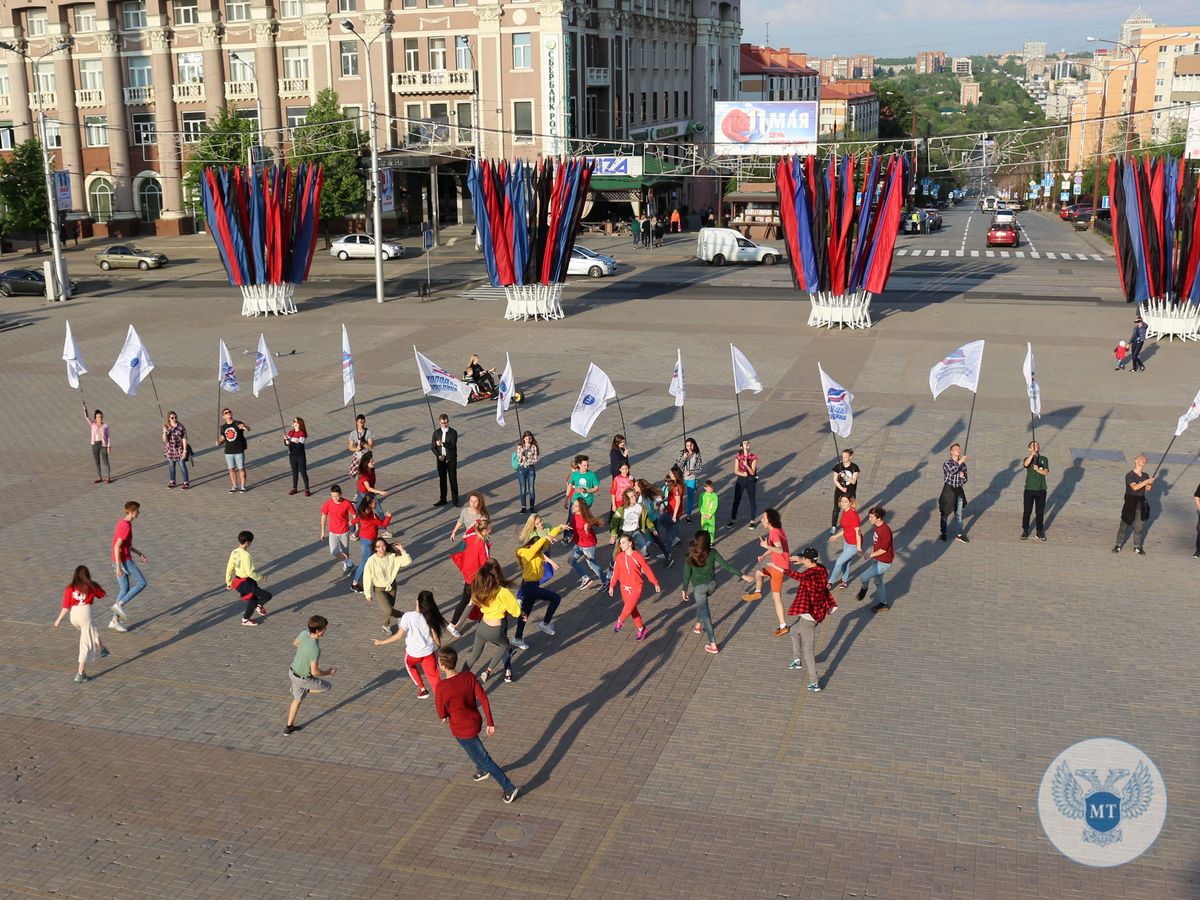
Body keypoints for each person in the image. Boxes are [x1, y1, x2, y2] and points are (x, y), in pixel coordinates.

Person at [434, 647, 519, 803]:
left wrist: (445, 716)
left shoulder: (441, 687)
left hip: (461, 728)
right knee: (472, 749)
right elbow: (484, 699)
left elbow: (440, 712)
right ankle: (481, 769)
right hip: (475, 721)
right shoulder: (469, 677)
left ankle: (508, 787)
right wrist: (490, 723)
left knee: (484, 757)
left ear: (443, 665)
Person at [681, 530, 750, 654]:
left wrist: (684, 589)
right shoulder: (712, 552)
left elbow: (687, 575)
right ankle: (697, 625)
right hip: (712, 585)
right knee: (702, 605)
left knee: (706, 613)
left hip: (699, 589)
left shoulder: (689, 555)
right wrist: (742, 575)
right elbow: (726, 566)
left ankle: (713, 644)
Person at [780, 548, 838, 693]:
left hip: (808, 617)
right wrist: (800, 560)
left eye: (803, 559)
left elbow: (799, 577)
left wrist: (782, 569)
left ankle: (814, 682)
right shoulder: (822, 569)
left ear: (808, 560)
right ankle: (797, 659)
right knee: (793, 631)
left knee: (808, 650)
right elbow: (806, 570)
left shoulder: (809, 574)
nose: (801, 560)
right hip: (818, 611)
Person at [507, 515, 564, 661]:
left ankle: (518, 638)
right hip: (529, 587)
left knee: (525, 613)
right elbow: (538, 547)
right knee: (556, 598)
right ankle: (545, 623)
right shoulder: (525, 552)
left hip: (533, 585)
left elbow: (544, 545)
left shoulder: (537, 552)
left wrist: (559, 528)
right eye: (536, 544)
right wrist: (544, 539)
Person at [460, 559, 523, 682]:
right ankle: (488, 671)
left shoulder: (480, 589)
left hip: (482, 627)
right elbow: (515, 611)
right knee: (504, 645)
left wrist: (458, 624)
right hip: (495, 629)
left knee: (474, 654)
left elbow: (470, 604)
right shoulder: (502, 592)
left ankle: (461, 677)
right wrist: (522, 613)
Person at [374, 590, 446, 698]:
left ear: (417, 602)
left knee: (409, 665)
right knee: (434, 677)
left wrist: (381, 642)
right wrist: (439, 648)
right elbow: (436, 636)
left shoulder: (407, 616)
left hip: (413, 655)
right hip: (428, 654)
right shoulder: (430, 617)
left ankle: (422, 689)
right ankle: (442, 698)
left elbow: (398, 636)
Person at [741, 508, 792, 636]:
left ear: (769, 520)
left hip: (779, 568)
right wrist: (764, 555)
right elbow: (775, 548)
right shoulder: (777, 530)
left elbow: (779, 550)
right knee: (759, 573)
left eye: (763, 518)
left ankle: (783, 626)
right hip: (777, 566)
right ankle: (757, 593)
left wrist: (765, 546)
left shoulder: (774, 533)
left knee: (776, 597)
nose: (761, 519)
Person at [55, 565, 110, 682]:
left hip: (73, 616)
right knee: (85, 643)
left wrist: (58, 620)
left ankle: (102, 647)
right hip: (85, 614)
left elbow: (65, 607)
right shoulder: (91, 585)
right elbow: (104, 595)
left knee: (91, 628)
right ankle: (80, 673)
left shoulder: (70, 588)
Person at [286, 615, 336, 735]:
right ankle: (306, 690)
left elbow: (295, 643)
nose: (326, 631)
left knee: (297, 700)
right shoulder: (315, 649)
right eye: (324, 629)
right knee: (327, 687)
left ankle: (289, 727)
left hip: (292, 672)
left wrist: (304, 650)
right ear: (318, 631)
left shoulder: (304, 633)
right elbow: (315, 672)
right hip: (304, 679)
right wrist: (329, 672)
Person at [608, 532, 660, 641]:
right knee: (632, 609)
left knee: (627, 608)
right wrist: (612, 585)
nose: (621, 545)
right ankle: (641, 629)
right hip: (624, 588)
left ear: (630, 543)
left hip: (636, 587)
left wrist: (655, 582)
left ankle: (619, 622)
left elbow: (647, 569)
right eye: (620, 543)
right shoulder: (619, 557)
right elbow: (616, 573)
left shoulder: (637, 556)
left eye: (623, 543)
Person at [447, 519, 492, 637]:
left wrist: (474, 525)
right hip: (476, 577)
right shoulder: (483, 544)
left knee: (468, 600)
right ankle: (453, 625)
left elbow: (465, 534)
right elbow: (487, 562)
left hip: (468, 574)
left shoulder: (472, 536)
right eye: (490, 529)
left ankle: (475, 620)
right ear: (485, 531)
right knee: (470, 601)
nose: (491, 530)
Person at [109, 500, 147, 633]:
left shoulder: (123, 522)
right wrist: (119, 567)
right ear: (131, 512)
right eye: (137, 511)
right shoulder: (126, 526)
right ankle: (119, 604)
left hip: (119, 560)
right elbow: (117, 546)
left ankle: (114, 620)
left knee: (124, 589)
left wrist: (139, 553)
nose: (139, 513)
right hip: (124, 560)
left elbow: (126, 545)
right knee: (142, 583)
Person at [362, 537, 412, 636]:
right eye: (379, 547)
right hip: (379, 589)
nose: (382, 548)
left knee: (390, 608)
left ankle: (392, 621)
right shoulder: (371, 560)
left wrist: (402, 550)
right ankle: (396, 618)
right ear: (375, 548)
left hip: (392, 586)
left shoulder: (391, 556)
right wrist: (367, 593)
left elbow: (407, 561)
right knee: (388, 610)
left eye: (383, 546)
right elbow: (367, 577)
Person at [225, 530, 272, 626]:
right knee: (267, 596)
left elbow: (229, 568)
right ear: (247, 542)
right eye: (251, 542)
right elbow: (249, 572)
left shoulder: (234, 552)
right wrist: (261, 577)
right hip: (246, 583)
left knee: (253, 600)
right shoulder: (246, 555)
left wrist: (228, 582)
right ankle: (259, 605)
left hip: (239, 582)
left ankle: (245, 620)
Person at [350, 496, 392, 593]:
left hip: (368, 540)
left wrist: (352, 524)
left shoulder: (365, 513)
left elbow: (354, 520)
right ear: (369, 504)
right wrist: (388, 517)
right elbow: (383, 524)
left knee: (372, 561)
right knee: (365, 562)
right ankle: (354, 583)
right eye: (374, 502)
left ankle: (375, 580)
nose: (376, 503)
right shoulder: (368, 517)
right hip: (368, 542)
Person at [1114, 454, 1154, 555]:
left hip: (1141, 503)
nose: (1143, 461)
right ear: (1135, 461)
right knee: (1124, 525)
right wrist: (1146, 482)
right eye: (1141, 459)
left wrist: (1150, 483)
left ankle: (1137, 546)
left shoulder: (1145, 475)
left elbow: (1148, 489)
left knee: (1139, 527)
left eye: (1144, 459)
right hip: (1130, 502)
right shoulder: (1130, 475)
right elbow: (1135, 487)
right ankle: (1118, 545)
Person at [856, 507, 895, 611]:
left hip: (883, 562)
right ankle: (884, 604)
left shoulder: (885, 531)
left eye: (871, 517)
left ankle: (864, 589)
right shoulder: (877, 527)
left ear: (879, 518)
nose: (869, 519)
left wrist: (870, 555)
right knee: (878, 582)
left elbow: (883, 549)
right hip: (878, 560)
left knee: (863, 577)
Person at [566, 496, 605, 589]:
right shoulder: (573, 515)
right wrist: (572, 537)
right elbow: (575, 529)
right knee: (571, 560)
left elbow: (589, 536)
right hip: (579, 544)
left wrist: (587, 531)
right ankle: (586, 579)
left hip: (588, 546)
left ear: (581, 508)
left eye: (576, 506)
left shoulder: (585, 520)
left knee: (592, 564)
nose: (573, 507)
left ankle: (605, 581)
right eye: (573, 505)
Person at [319, 484, 356, 576]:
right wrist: (322, 531)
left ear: (341, 494)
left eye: (336, 496)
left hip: (344, 531)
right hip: (333, 532)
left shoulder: (347, 503)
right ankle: (349, 563)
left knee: (345, 550)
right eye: (332, 496)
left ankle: (346, 566)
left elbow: (355, 515)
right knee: (334, 551)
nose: (335, 498)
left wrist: (353, 523)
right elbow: (324, 516)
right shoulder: (328, 503)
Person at [826, 496, 862, 589]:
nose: (843, 503)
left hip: (853, 544)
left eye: (845, 501)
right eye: (841, 501)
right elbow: (846, 528)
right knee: (846, 562)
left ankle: (830, 582)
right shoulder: (844, 512)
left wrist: (858, 548)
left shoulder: (853, 515)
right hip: (847, 541)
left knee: (838, 562)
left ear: (850, 502)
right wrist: (836, 536)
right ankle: (844, 581)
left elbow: (858, 532)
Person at [634, 479, 672, 563]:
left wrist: (641, 513)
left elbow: (648, 510)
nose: (634, 487)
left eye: (636, 486)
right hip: (652, 519)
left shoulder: (643, 497)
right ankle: (665, 554)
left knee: (650, 539)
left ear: (640, 487)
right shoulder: (642, 495)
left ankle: (667, 555)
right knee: (654, 539)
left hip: (649, 521)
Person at [938, 443, 969, 543]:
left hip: (958, 491)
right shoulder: (947, 463)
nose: (958, 450)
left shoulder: (963, 465)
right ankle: (943, 532)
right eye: (956, 449)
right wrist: (959, 462)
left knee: (958, 514)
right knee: (944, 513)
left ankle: (959, 534)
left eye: (959, 449)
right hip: (948, 491)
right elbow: (950, 472)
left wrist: (962, 477)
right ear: (951, 451)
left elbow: (964, 481)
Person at [215, 408, 251, 493]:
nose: (228, 413)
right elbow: (223, 438)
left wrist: (244, 427)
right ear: (223, 416)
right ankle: (234, 486)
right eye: (226, 413)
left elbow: (249, 429)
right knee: (231, 469)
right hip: (228, 451)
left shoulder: (238, 423)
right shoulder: (223, 427)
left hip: (239, 450)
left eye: (229, 412)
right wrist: (219, 442)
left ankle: (243, 486)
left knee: (241, 468)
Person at [1021, 440, 1049, 541]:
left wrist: (1037, 469)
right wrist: (1032, 455)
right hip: (1029, 489)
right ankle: (1025, 530)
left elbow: (1046, 472)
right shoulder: (1027, 458)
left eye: (1037, 444)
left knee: (1040, 512)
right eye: (1033, 445)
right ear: (1029, 449)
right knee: (1027, 511)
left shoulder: (1044, 459)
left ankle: (1039, 531)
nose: (1036, 446)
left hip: (1041, 489)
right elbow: (1025, 464)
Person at [728, 439, 759, 528]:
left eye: (748, 443)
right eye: (745, 443)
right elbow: (735, 471)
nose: (747, 443)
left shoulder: (753, 457)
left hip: (750, 480)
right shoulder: (738, 457)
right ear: (741, 447)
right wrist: (742, 473)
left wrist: (746, 466)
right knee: (736, 500)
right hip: (741, 480)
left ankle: (752, 521)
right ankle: (733, 520)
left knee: (752, 500)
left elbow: (753, 472)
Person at [432, 413, 460, 507]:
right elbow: (433, 447)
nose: (445, 424)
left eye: (446, 422)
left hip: (451, 459)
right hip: (441, 460)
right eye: (443, 423)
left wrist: (443, 443)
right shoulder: (436, 433)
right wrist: (439, 455)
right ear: (439, 422)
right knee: (442, 480)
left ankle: (455, 501)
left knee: (453, 480)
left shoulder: (453, 432)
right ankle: (443, 499)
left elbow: (452, 446)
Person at [830, 448, 860, 534]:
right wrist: (842, 488)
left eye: (846, 457)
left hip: (850, 491)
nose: (844, 459)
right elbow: (835, 480)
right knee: (836, 508)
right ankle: (833, 526)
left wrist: (845, 476)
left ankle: (852, 525)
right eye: (843, 457)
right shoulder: (838, 467)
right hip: (839, 491)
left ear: (850, 457)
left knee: (851, 509)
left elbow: (853, 481)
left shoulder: (854, 467)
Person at [354, 450, 389, 517]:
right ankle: (353, 527)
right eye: (371, 462)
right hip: (363, 495)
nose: (374, 462)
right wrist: (380, 492)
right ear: (366, 463)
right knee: (359, 513)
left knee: (380, 512)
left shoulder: (371, 470)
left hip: (370, 494)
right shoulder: (364, 475)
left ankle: (383, 526)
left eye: (373, 461)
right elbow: (368, 488)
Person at [84, 403, 112, 484]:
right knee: (97, 462)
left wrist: (109, 446)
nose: (100, 418)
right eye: (98, 417)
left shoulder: (105, 426)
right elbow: (87, 417)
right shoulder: (93, 425)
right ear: (95, 418)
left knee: (105, 461)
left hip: (103, 445)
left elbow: (108, 437)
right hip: (95, 445)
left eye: (101, 417)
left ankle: (108, 478)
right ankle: (99, 477)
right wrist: (85, 410)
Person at [677, 438, 703, 519]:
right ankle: (678, 512)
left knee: (690, 498)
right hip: (682, 478)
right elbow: (679, 465)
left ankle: (688, 514)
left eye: (691, 445)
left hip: (692, 478)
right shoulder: (683, 453)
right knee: (679, 496)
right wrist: (684, 457)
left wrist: (691, 472)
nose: (689, 447)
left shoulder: (697, 454)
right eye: (687, 445)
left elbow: (700, 468)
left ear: (694, 445)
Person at [162, 411, 189, 489]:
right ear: (169, 419)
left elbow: (184, 438)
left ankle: (186, 482)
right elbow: (165, 440)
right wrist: (164, 432)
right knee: (171, 467)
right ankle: (172, 481)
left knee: (182, 466)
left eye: (175, 417)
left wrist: (185, 451)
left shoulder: (180, 426)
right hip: (170, 450)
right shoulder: (166, 427)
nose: (174, 419)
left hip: (179, 449)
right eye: (172, 418)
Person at [659, 467, 685, 550]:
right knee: (670, 524)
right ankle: (675, 538)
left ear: (674, 475)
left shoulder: (676, 487)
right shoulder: (675, 484)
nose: (669, 474)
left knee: (669, 529)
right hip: (671, 508)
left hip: (673, 510)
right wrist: (662, 501)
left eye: (671, 473)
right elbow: (671, 497)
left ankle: (668, 549)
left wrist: (674, 516)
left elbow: (677, 502)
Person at [284, 416, 310, 496]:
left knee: (303, 472)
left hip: (300, 456)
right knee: (294, 472)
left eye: (294, 421)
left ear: (298, 423)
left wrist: (290, 441)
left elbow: (299, 445)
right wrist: (285, 441)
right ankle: (294, 488)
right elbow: (286, 443)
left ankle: (307, 489)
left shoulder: (302, 433)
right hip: (292, 455)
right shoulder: (290, 432)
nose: (292, 422)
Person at [515, 431, 539, 513]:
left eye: (529, 438)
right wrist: (522, 456)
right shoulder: (520, 447)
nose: (528, 440)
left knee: (531, 488)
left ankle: (532, 506)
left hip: (530, 469)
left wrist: (528, 460)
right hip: (522, 469)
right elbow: (518, 460)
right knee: (523, 488)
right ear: (523, 439)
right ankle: (523, 507)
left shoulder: (533, 447)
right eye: (526, 438)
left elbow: (535, 460)